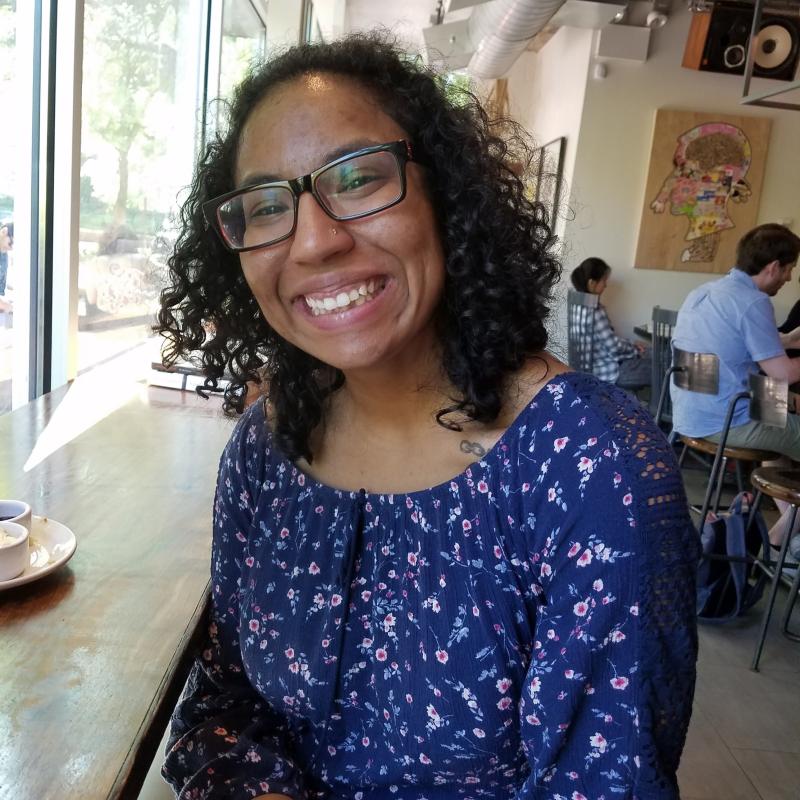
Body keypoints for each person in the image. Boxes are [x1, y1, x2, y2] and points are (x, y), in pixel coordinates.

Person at [156, 34, 698, 800]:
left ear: (444, 191)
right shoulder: (266, 447)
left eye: (358, 177)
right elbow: (224, 706)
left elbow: (607, 783)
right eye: (267, 206)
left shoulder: (589, 463)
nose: (314, 241)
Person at [672, 223, 800, 463]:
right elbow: (784, 374)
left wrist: (790, 340)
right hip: (726, 419)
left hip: (690, 412)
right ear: (773, 267)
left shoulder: (705, 292)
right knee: (787, 421)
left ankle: (782, 500)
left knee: (784, 408)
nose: (790, 278)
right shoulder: (753, 302)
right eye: (789, 269)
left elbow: (734, 349)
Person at [569, 257, 652, 389]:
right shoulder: (594, 310)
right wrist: (635, 350)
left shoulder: (577, 305)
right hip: (608, 372)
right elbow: (614, 347)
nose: (606, 285)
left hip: (592, 369)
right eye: (604, 280)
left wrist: (632, 345)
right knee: (660, 366)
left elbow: (608, 342)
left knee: (651, 353)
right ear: (592, 283)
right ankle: (656, 408)